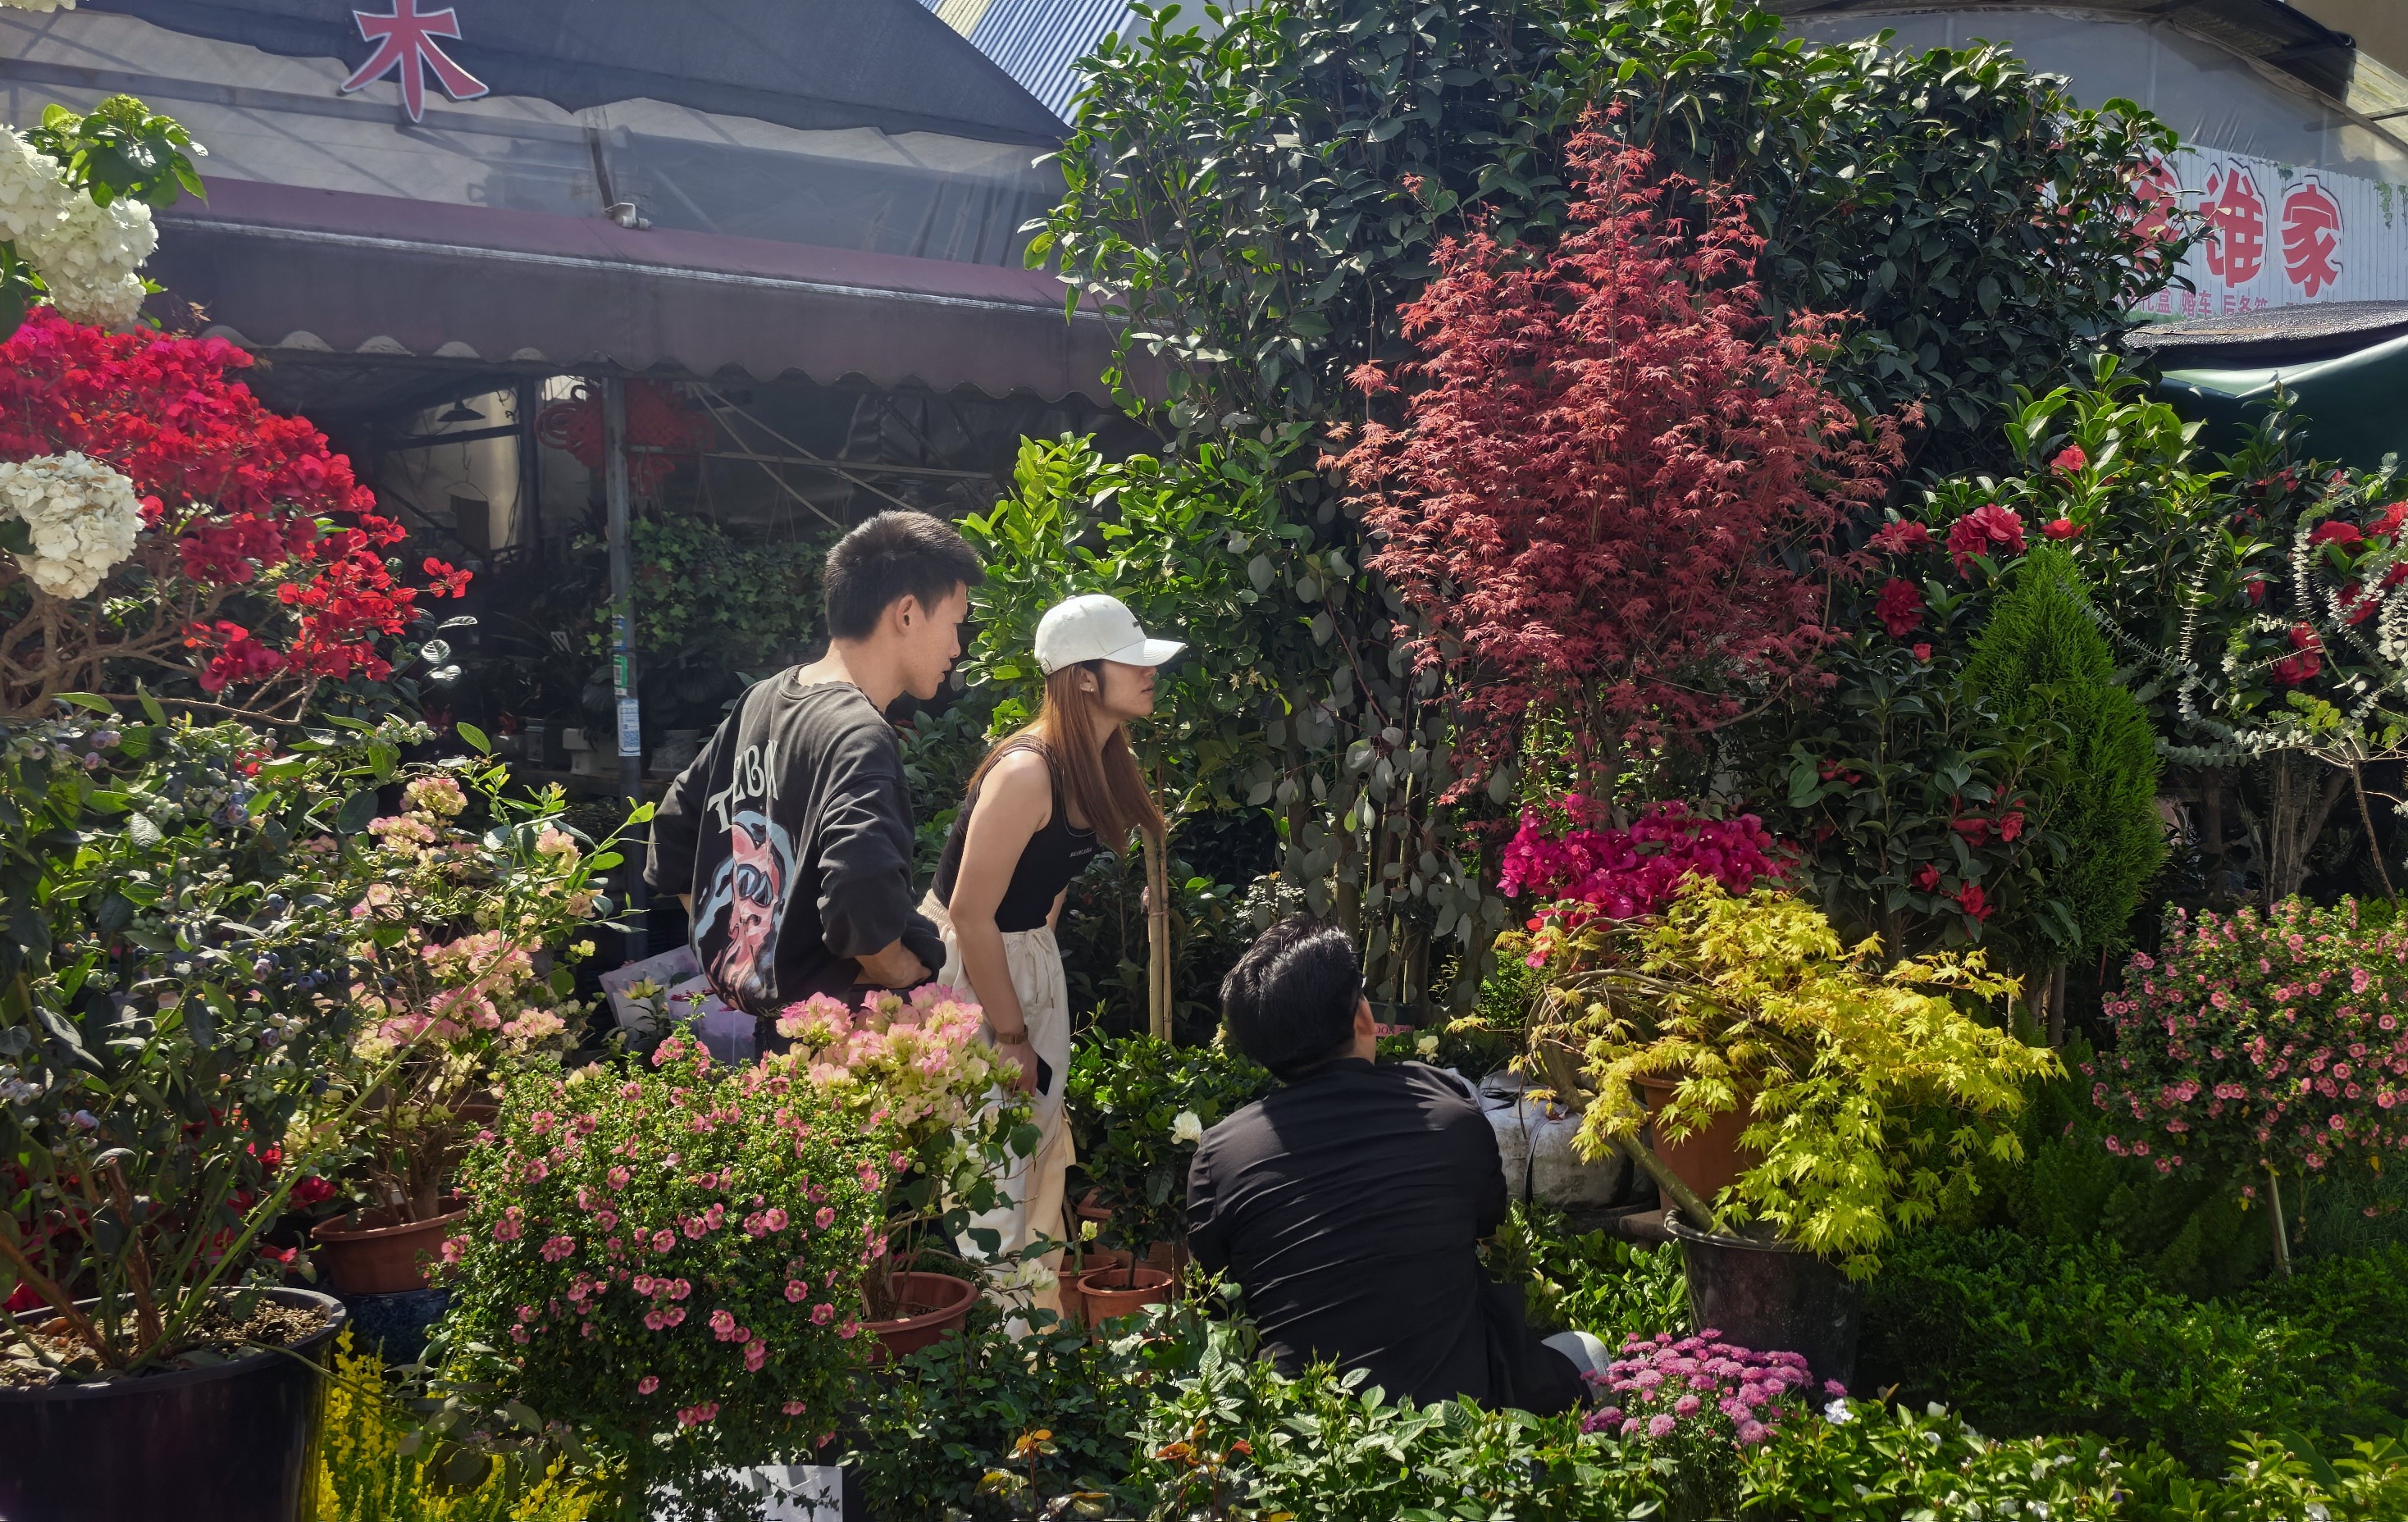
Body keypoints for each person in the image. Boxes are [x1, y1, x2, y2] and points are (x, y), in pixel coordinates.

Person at [1185, 917, 1604, 1413]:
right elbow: (1487, 1228)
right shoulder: (1446, 1107)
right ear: (1362, 1018)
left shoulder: (1220, 1155)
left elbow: (1217, 1298)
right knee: (1588, 1350)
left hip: (1304, 1437)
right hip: (1463, 1426)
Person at [924, 593, 1183, 1317]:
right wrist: (1011, 1034)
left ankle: (1034, 1334)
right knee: (992, 1166)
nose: (1150, 672)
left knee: (1036, 1156)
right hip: (974, 972)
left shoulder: (1094, 763)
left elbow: (1046, 894)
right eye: (1131, 661)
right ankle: (1003, 1344)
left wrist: (1037, 982)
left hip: (1024, 961)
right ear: (1084, 678)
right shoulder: (1026, 772)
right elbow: (968, 914)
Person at [645, 510, 979, 1028]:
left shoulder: (761, 699)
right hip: (837, 1035)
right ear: (908, 614)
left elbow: (673, 830)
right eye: (955, 623)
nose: (958, 648)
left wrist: (736, 948)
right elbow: (860, 897)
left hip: (769, 1026)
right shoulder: (860, 736)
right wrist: (898, 972)